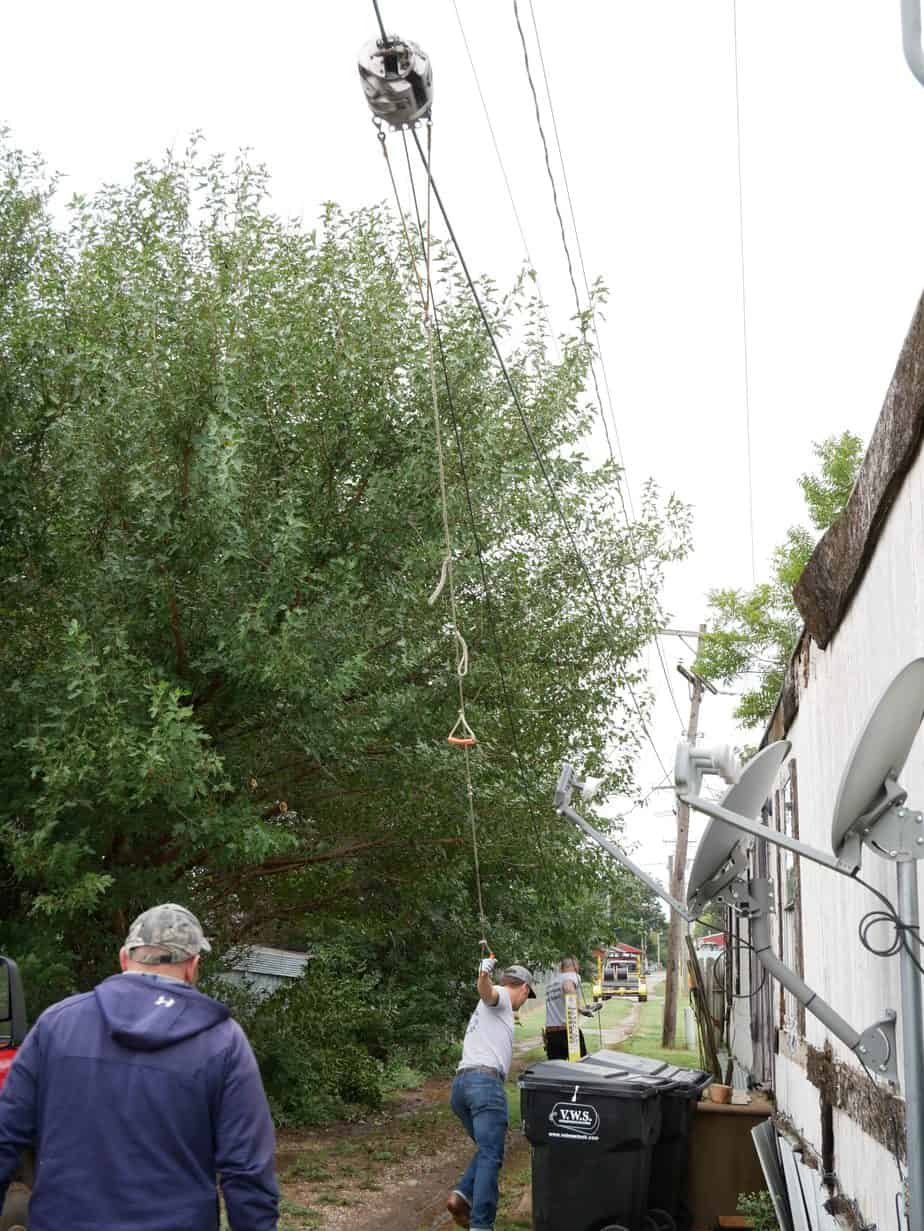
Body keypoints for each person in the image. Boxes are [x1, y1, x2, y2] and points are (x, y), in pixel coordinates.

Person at [0, 903, 278, 1231]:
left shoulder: (56, 1025)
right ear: (193, 966)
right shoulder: (223, 1042)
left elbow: (5, 1137)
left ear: (123, 958)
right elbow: (247, 1173)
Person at [446, 957, 536, 1231]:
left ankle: (461, 1197)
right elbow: (488, 991)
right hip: (484, 1085)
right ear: (523, 988)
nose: (525, 1001)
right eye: (527, 995)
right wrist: (484, 972)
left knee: (489, 1150)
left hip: (461, 1087)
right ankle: (481, 1225)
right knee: (491, 1156)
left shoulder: (490, 1010)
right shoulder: (503, 998)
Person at [543, 956, 597, 1060]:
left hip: (551, 1034)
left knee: (556, 1071)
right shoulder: (571, 975)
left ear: (561, 968)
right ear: (575, 966)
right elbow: (568, 987)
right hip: (569, 1033)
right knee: (579, 1070)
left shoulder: (552, 983)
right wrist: (580, 1009)